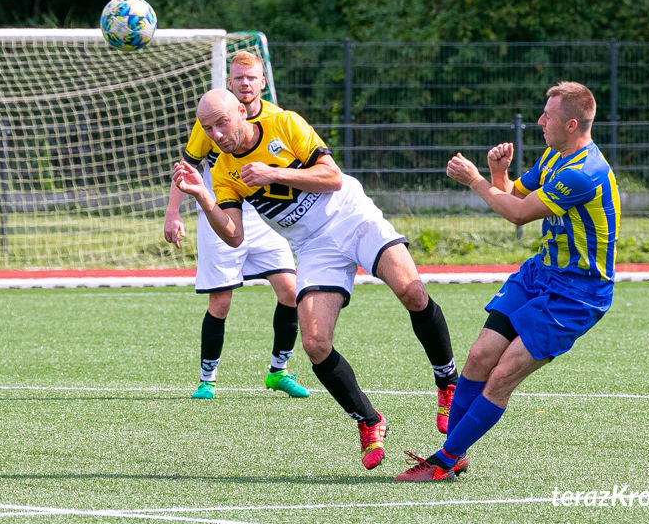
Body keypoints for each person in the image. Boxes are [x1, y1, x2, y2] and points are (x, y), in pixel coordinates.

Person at [173, 88, 460, 470]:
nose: (217, 134)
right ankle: (369, 420)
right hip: (312, 245)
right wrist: (204, 198)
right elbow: (234, 235)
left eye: (222, 122)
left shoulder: (284, 123)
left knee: (412, 291)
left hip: (351, 217)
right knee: (314, 343)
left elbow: (332, 177)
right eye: (208, 129)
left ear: (241, 111)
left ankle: (447, 382)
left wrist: (272, 172)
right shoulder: (223, 170)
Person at [395, 81, 620, 481]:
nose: (539, 121)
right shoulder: (556, 154)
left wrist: (476, 179)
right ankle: (454, 450)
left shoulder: (584, 173)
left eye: (547, 116)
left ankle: (445, 460)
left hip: (578, 294)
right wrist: (498, 173)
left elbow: (517, 215)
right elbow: (513, 195)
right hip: (541, 274)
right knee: (480, 356)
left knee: (502, 376)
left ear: (570, 124)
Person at [163, 51, 309, 400]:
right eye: (238, 77)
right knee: (221, 302)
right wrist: (172, 213)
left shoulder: (279, 119)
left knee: (290, 292)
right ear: (229, 82)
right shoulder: (210, 120)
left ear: (262, 82)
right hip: (220, 214)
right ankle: (207, 379)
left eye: (251, 77)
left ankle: (279, 371)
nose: (245, 83)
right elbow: (187, 167)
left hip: (263, 217)